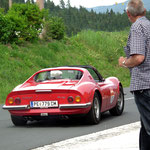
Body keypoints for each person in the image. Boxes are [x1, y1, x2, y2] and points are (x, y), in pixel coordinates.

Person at [118, 0, 150, 149]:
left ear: (128, 13)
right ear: (144, 11)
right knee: (145, 128)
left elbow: (138, 57)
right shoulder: (148, 25)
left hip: (144, 84)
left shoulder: (137, 27)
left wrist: (124, 62)